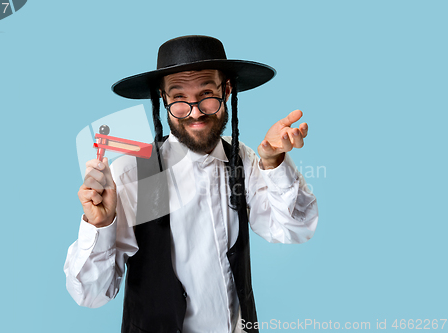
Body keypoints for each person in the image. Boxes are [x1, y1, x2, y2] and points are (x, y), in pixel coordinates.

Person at [64, 35, 319, 333]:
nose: (195, 111)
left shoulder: (242, 160)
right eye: (179, 99)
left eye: (207, 94)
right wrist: (100, 225)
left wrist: (274, 162)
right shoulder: (133, 174)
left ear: (226, 91)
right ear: (164, 99)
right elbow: (91, 295)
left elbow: (294, 230)